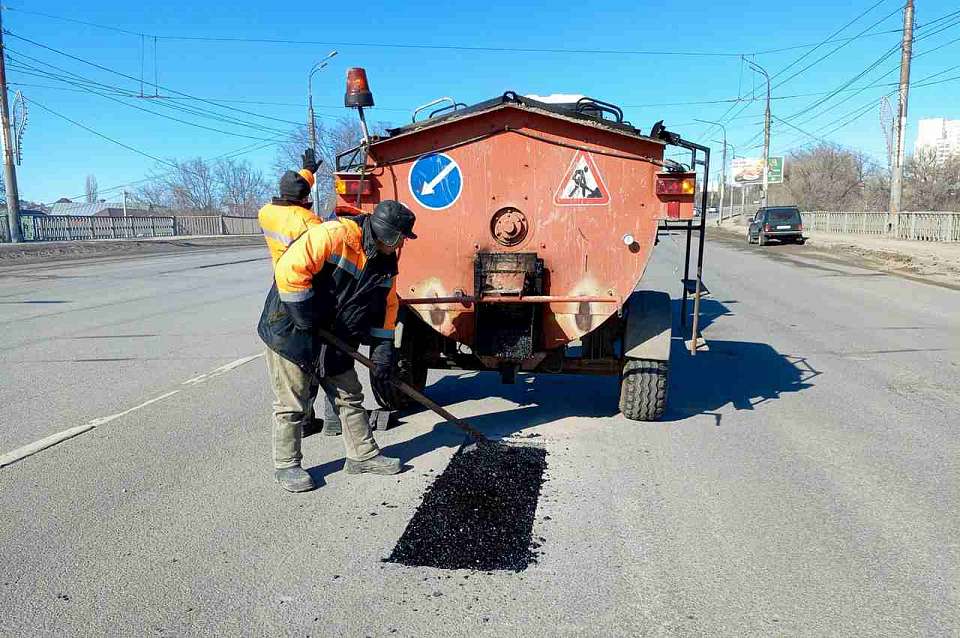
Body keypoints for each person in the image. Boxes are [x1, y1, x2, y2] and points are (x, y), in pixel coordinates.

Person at [258, 199, 417, 493]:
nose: (399, 246)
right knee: (293, 402)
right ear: (386, 234)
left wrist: (382, 352)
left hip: (334, 335)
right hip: (291, 329)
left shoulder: (386, 262)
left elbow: (388, 307)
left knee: (349, 395)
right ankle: (287, 465)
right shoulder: (334, 235)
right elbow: (289, 270)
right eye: (398, 239)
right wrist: (305, 316)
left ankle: (363, 456)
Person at [257, 149, 340, 437]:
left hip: (280, 288)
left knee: (296, 359)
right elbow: (322, 254)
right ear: (305, 202)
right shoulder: (308, 223)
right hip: (306, 289)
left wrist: (307, 172)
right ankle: (332, 419)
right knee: (315, 356)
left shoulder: (266, 213)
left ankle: (306, 420)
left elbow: (294, 190)